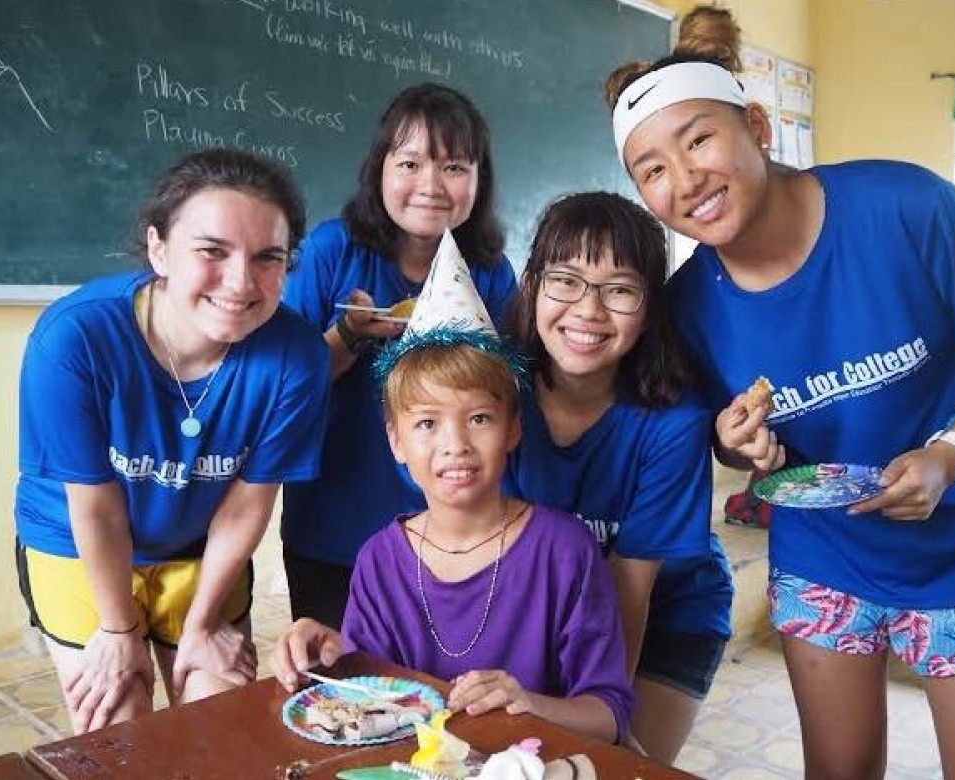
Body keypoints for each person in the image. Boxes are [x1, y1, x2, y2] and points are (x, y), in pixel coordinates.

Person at [606, 6, 955, 779]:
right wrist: (736, 441)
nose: (685, 180)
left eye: (699, 140)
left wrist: (954, 452)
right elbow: (730, 437)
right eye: (652, 169)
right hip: (824, 559)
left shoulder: (906, 208)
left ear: (757, 126)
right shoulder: (688, 306)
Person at [15, 148, 329, 734]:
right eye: (212, 251)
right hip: (78, 544)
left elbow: (246, 504)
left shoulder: (297, 357)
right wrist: (118, 630)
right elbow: (96, 508)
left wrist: (203, 624)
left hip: (199, 550)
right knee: (120, 723)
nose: (240, 282)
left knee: (218, 722)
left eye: (268, 258)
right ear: (158, 248)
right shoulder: (74, 338)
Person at [273, 235, 634, 744]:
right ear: (395, 440)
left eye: (480, 418)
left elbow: (608, 714)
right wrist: (328, 654)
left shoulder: (564, 551)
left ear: (513, 429)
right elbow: (372, 698)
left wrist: (530, 704)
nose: (456, 445)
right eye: (427, 423)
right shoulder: (380, 561)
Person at [504, 192, 732, 763]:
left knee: (617, 765)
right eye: (566, 281)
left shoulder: (674, 422)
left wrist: (608, 715)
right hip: (546, 608)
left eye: (620, 290)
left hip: (668, 611)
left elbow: (631, 590)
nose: (588, 310)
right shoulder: (495, 394)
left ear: (650, 308)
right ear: (532, 286)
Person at [280, 82, 516, 629]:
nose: (430, 185)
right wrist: (348, 335)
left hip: (453, 526)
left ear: (479, 180)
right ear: (379, 170)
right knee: (339, 671)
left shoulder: (489, 271)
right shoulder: (332, 251)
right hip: (333, 522)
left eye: (454, 167)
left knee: (440, 668)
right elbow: (285, 389)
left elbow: (508, 394)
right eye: (410, 163)